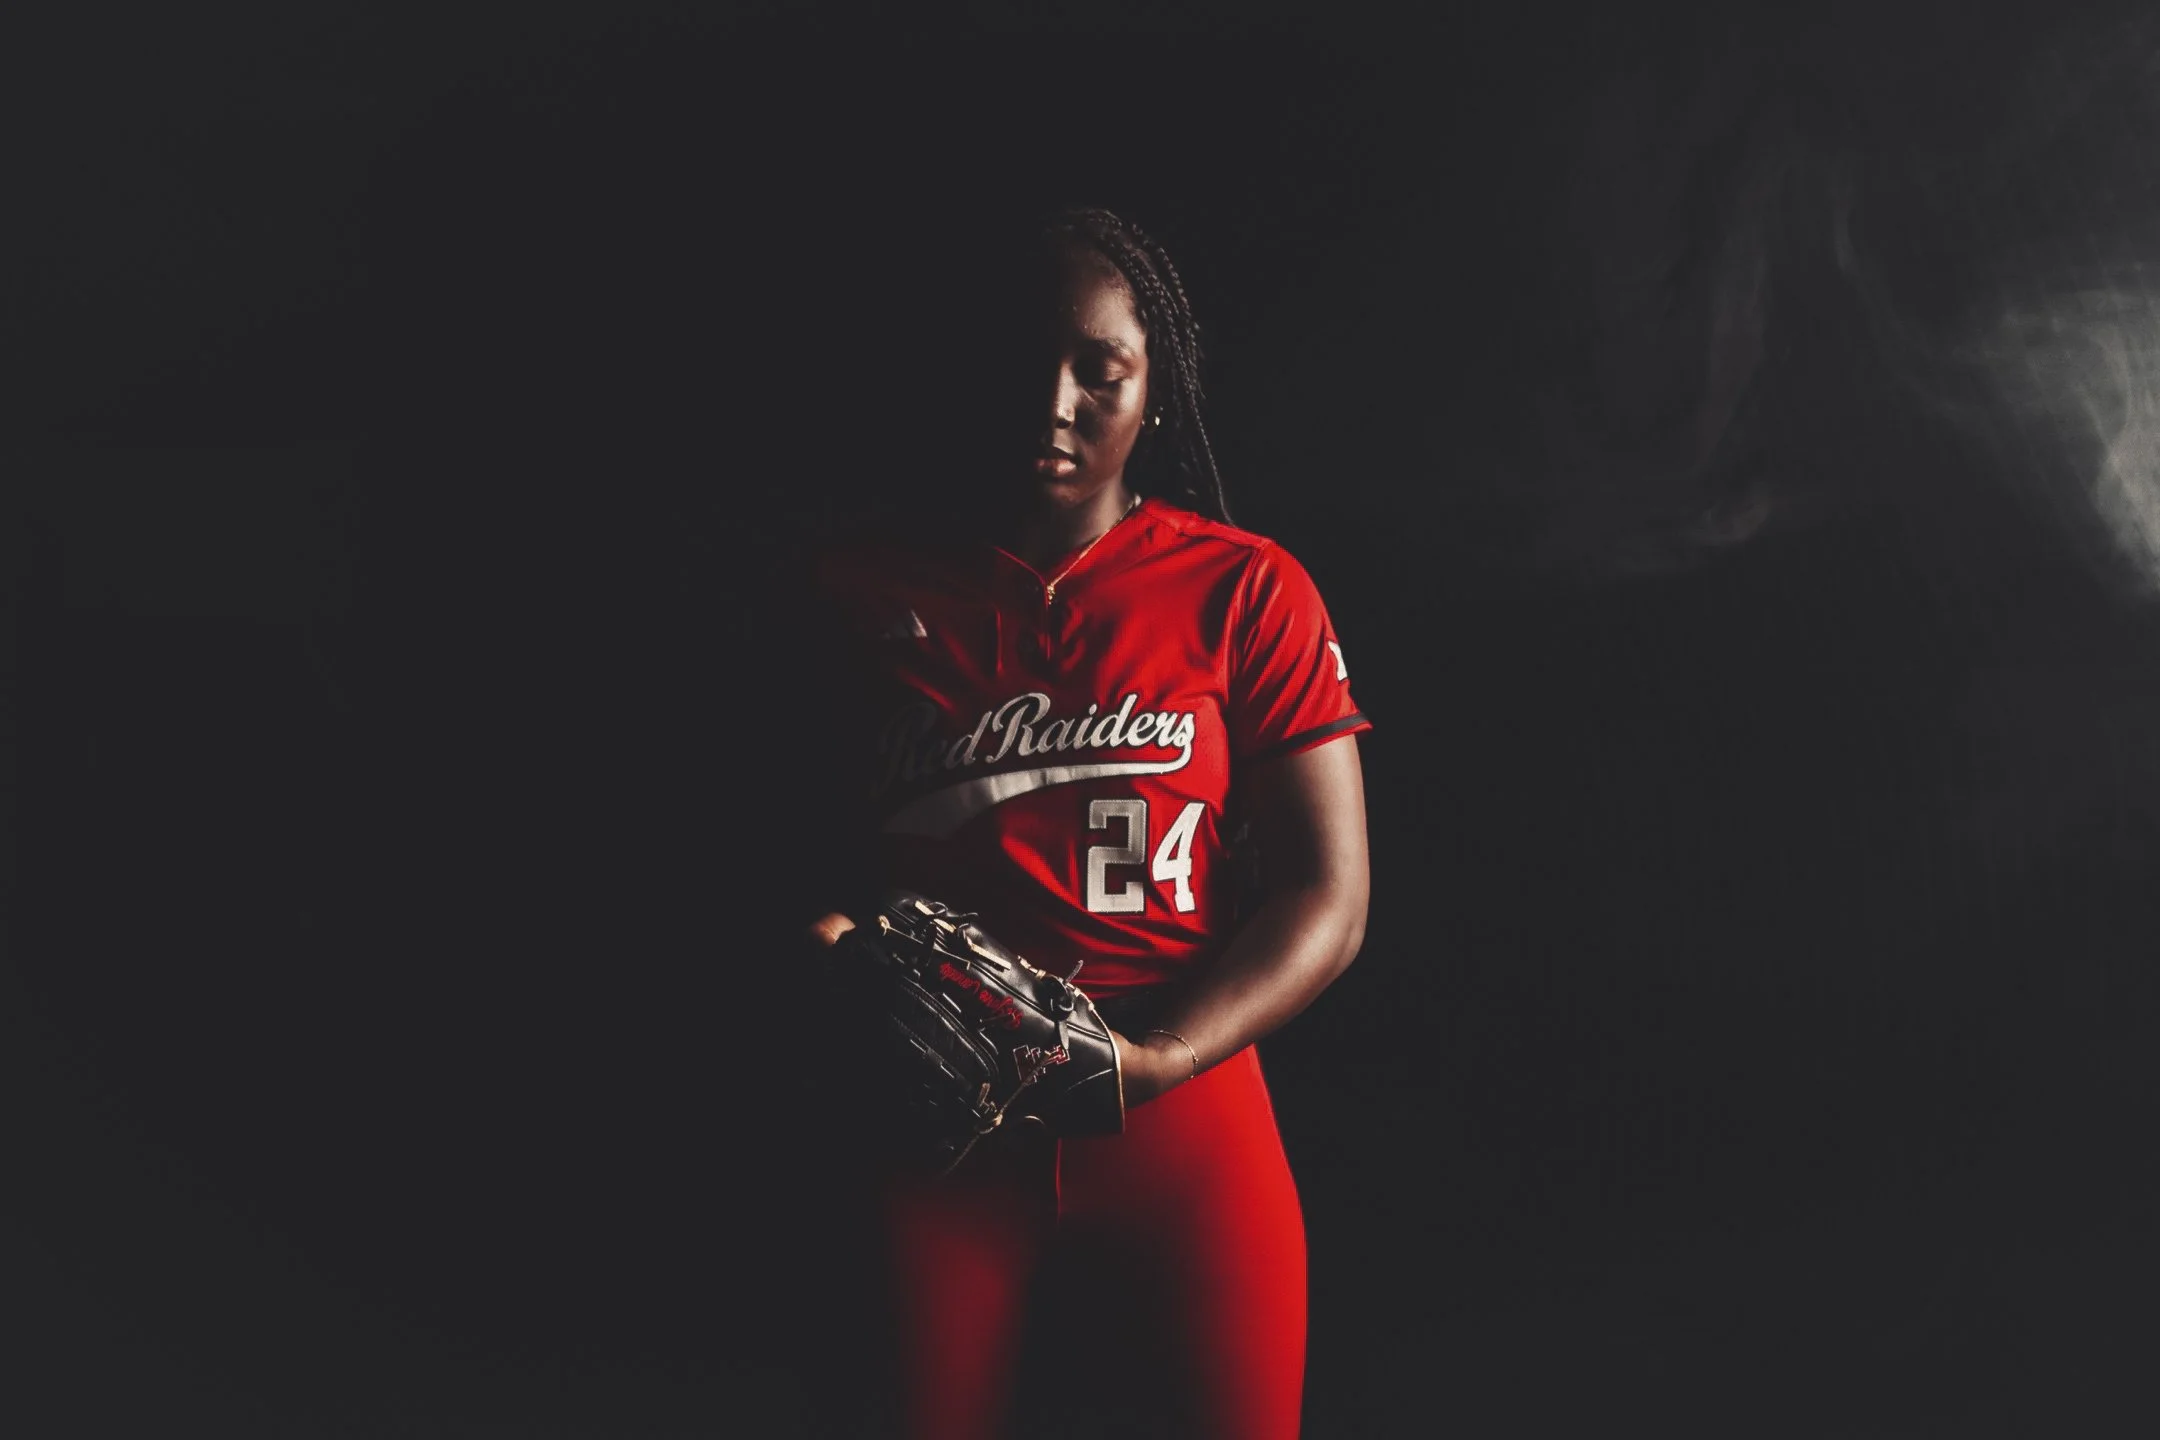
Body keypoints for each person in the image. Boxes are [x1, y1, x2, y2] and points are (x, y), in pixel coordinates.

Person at [802, 206, 1372, 1439]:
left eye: (1096, 369)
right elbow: (776, 856)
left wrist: (1161, 1055)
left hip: (1187, 1123)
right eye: (1017, 364)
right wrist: (836, 947)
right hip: (934, 1135)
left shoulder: (1244, 587)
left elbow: (1329, 897)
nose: (1053, 401)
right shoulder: (852, 594)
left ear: (1154, 384)